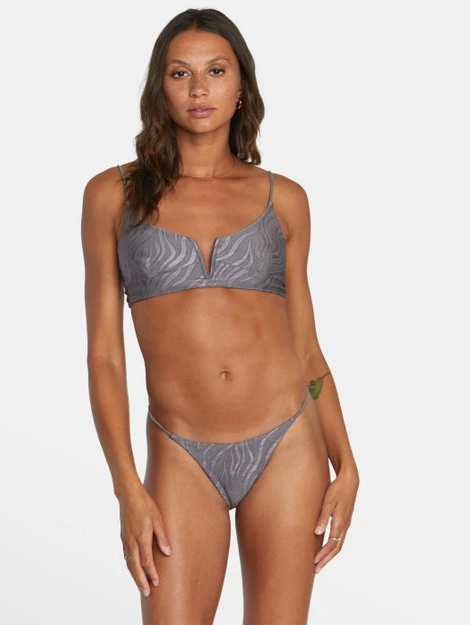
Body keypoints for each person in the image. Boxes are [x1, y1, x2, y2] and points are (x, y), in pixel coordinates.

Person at [81, 7, 359, 624]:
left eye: (216, 71)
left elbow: (306, 350)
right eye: (180, 73)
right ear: (159, 87)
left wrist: (347, 463)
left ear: (241, 87)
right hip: (180, 451)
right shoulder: (113, 195)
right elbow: (104, 354)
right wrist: (127, 487)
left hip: (288, 443)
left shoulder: (284, 199)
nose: (198, 88)